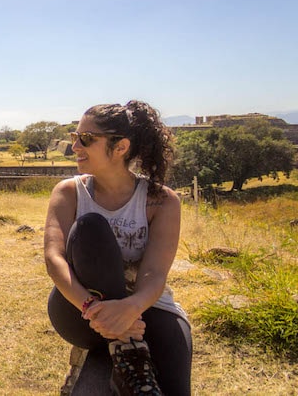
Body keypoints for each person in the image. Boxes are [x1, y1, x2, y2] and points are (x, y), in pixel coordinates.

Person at [44, 100, 192, 395]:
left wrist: (129, 310)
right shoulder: (69, 192)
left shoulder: (161, 201)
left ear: (120, 147)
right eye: (75, 138)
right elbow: (54, 259)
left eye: (86, 139)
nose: (75, 147)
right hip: (80, 309)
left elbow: (154, 273)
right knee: (90, 228)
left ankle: (126, 352)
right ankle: (128, 349)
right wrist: (95, 310)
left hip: (145, 307)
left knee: (175, 384)